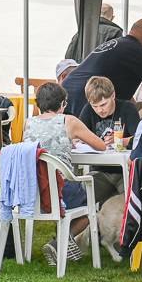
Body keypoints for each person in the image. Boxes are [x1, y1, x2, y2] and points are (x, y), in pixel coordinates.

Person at [25, 80, 107, 266]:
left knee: (78, 198)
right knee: (91, 206)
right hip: (60, 189)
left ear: (39, 104)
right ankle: (60, 241)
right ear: (62, 104)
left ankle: (64, 245)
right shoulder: (69, 121)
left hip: (33, 191)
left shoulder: (28, 123)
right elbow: (100, 146)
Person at [62, 18, 142, 116]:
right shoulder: (138, 52)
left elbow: (118, 84)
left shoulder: (120, 44)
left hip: (65, 92)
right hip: (87, 96)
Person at [76, 75, 141, 145]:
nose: (99, 110)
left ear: (113, 95)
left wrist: (119, 141)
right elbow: (77, 135)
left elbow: (139, 138)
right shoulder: (88, 109)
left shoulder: (128, 109)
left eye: (103, 104)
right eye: (94, 106)